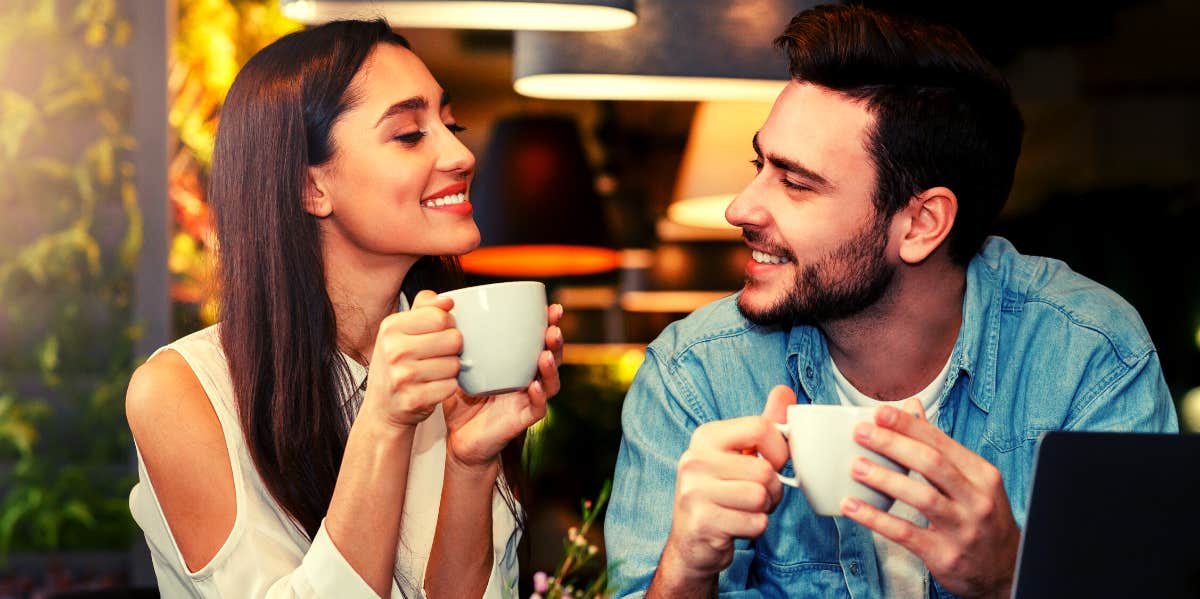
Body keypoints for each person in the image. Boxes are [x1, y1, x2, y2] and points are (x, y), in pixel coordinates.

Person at [605, 5, 1178, 598]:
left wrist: (1008, 578)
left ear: (922, 224)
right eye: (760, 165)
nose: (739, 209)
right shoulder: (695, 372)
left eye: (795, 182)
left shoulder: (1088, 354)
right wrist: (686, 567)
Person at [125, 20, 564, 598]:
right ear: (311, 188)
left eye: (450, 124)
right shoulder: (184, 391)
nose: (460, 153)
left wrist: (472, 463)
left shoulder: (459, 362)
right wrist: (383, 420)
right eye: (410, 134)